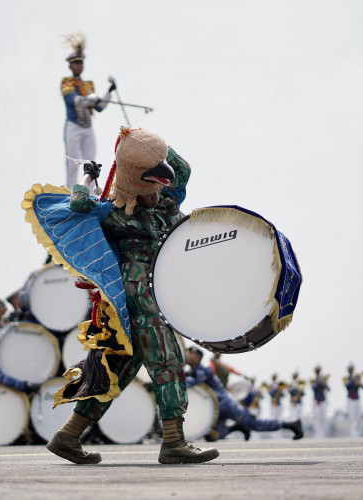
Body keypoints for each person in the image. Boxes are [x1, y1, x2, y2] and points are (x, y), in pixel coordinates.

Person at [30, 127, 219, 464]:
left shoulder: (165, 201)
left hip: (151, 293)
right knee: (167, 358)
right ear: (134, 190)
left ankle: (68, 436)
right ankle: (174, 442)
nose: (160, 193)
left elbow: (183, 169)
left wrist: (141, 147)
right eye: (151, 188)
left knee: (117, 370)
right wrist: (88, 176)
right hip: (138, 293)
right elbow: (78, 203)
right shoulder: (115, 214)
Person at [186, 347, 302, 441]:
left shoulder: (205, 370)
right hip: (216, 408)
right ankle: (238, 427)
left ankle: (291, 425)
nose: (186, 356)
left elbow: (190, 382)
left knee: (254, 423)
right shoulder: (192, 372)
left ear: (197, 357)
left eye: (189, 354)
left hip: (227, 404)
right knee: (212, 435)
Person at [61, 33, 114, 188]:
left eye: (81, 62)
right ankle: (70, 192)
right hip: (73, 125)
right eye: (76, 63)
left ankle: (90, 194)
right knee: (73, 161)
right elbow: (72, 100)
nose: (79, 66)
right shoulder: (67, 83)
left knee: (91, 162)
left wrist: (108, 93)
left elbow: (99, 107)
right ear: (70, 66)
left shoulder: (88, 86)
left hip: (88, 127)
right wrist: (90, 98)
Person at [344, 363, 363, 437]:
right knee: (352, 417)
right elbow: (347, 386)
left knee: (358, 416)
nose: (351, 370)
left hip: (357, 399)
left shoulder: (357, 378)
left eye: (352, 369)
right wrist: (352, 380)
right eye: (350, 369)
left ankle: (357, 432)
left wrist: (357, 381)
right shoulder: (346, 378)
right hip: (350, 399)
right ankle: (352, 433)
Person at [311, 364, 329, 438]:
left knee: (323, 418)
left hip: (323, 400)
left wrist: (324, 383)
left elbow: (328, 389)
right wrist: (319, 382)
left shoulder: (323, 379)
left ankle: (323, 434)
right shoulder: (313, 380)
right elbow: (313, 388)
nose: (318, 371)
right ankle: (317, 434)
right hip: (317, 401)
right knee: (317, 418)